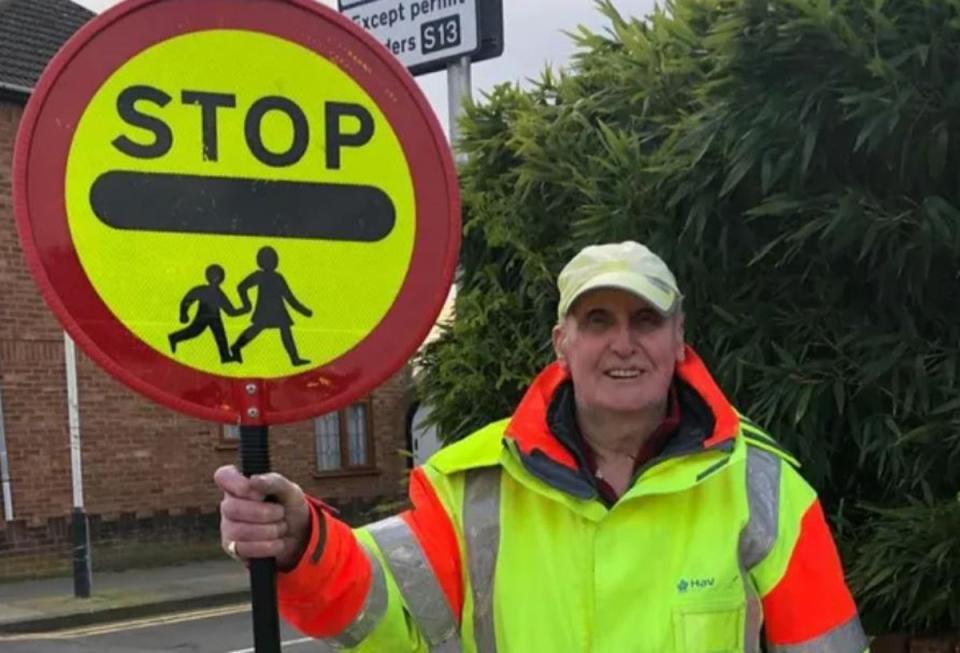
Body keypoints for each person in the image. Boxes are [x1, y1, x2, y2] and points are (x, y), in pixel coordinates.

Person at [215, 241, 868, 652]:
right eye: (598, 321)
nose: (623, 343)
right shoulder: (468, 482)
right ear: (562, 342)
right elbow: (385, 618)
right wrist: (303, 540)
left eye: (645, 320)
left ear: (678, 339)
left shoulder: (763, 488)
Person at [168, 264, 247, 363]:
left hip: (215, 318)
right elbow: (188, 299)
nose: (216, 278)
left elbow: (230, 311)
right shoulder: (202, 290)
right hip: (203, 317)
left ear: (222, 278)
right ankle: (174, 337)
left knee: (221, 336)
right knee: (194, 331)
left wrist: (244, 310)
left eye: (218, 276)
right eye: (213, 276)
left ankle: (225, 356)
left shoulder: (219, 293)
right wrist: (183, 313)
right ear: (208, 276)